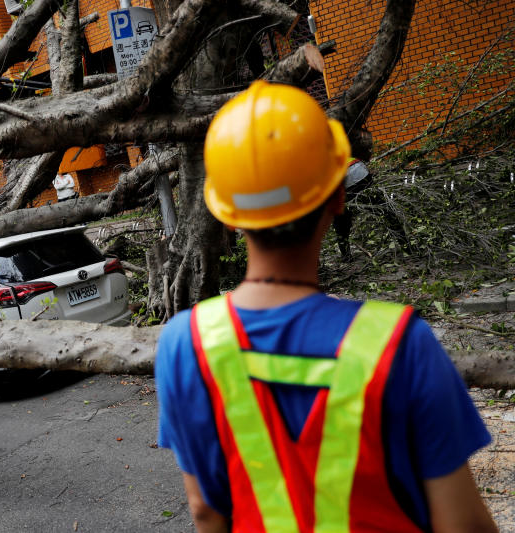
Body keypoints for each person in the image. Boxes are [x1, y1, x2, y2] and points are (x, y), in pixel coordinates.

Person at [155, 81, 496, 533]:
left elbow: (205, 512)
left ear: (228, 214)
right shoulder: (402, 344)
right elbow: (463, 525)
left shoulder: (184, 343)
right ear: (338, 196)